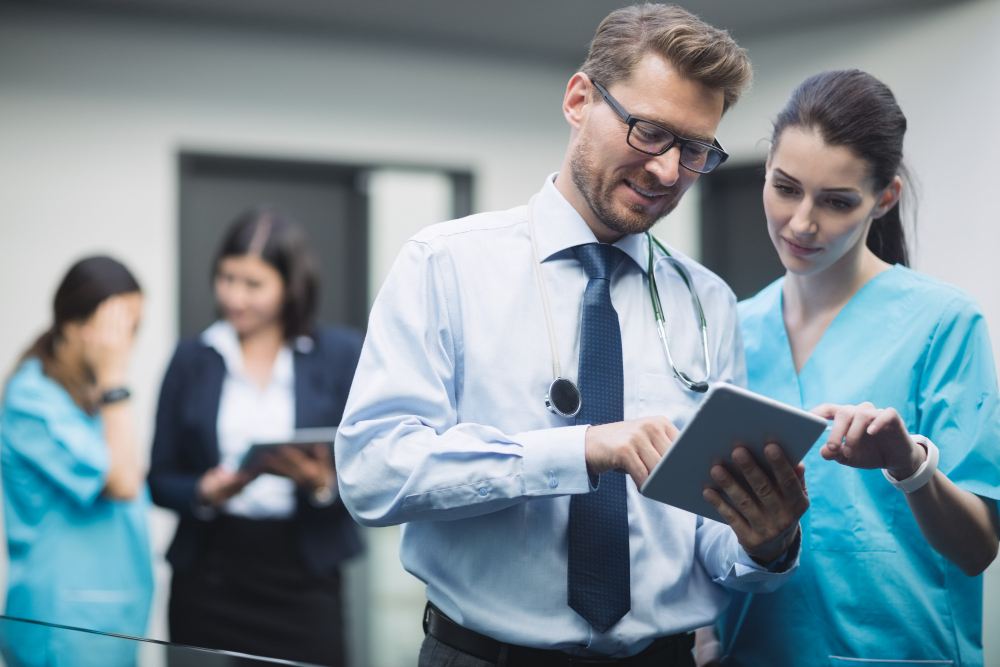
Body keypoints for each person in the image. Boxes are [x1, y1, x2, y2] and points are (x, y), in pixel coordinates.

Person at [335, 5, 811, 666]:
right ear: (579, 99)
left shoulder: (707, 303)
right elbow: (373, 472)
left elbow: (708, 543)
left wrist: (764, 541)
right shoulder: (446, 263)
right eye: (649, 132)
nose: (669, 172)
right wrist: (577, 449)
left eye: (695, 149)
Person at [709, 70, 1000, 665]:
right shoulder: (729, 327)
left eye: (837, 202)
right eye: (785, 188)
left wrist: (910, 466)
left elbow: (976, 550)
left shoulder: (942, 323)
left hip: (897, 651)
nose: (801, 223)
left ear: (884, 198)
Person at [148, 207, 363, 667]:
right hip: (209, 574)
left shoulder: (340, 356)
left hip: (303, 578)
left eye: (253, 284)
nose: (234, 297)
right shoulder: (192, 358)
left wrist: (321, 484)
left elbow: (372, 473)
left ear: (290, 288)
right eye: (226, 278)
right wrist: (204, 491)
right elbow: (160, 477)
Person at [0, 256, 152, 667]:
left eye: (133, 329)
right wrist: (116, 382)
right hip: (62, 624)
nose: (126, 344)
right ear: (72, 326)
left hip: (111, 617)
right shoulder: (31, 400)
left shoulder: (90, 398)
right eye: (117, 328)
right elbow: (121, 482)